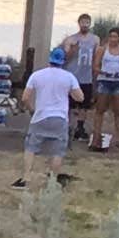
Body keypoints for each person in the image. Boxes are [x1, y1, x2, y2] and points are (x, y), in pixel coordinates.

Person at [20, 44, 76, 177]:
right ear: (63, 61)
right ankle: (53, 179)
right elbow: (80, 97)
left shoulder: (37, 75)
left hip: (40, 116)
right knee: (58, 151)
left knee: (31, 148)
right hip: (60, 117)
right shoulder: (69, 77)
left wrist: (32, 109)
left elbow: (25, 98)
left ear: (49, 59)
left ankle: (26, 176)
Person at [62, 14, 102, 145]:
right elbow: (65, 59)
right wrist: (73, 50)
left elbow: (97, 57)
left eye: (87, 22)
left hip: (87, 77)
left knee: (84, 105)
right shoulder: (71, 39)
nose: (85, 25)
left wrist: (96, 74)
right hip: (72, 76)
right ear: (78, 23)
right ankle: (67, 127)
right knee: (70, 104)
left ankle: (80, 127)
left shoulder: (95, 39)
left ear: (90, 24)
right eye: (83, 22)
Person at [94, 25, 119, 155]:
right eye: (110, 36)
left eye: (115, 36)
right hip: (105, 80)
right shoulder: (102, 49)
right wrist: (104, 72)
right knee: (100, 109)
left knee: (118, 111)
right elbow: (96, 66)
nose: (112, 39)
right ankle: (97, 136)